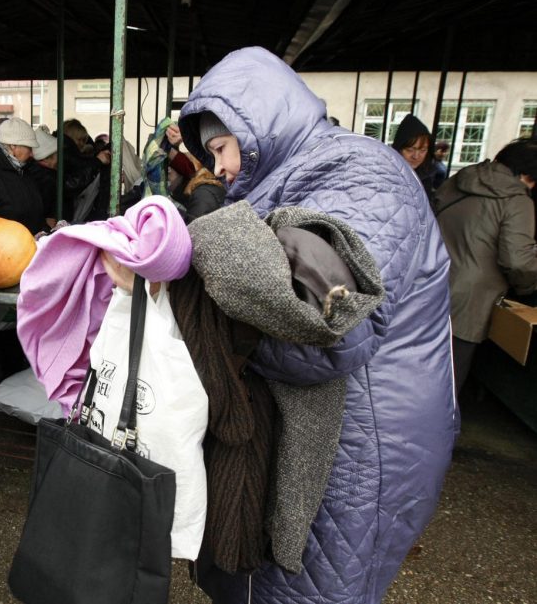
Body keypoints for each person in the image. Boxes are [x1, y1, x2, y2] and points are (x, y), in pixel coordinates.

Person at [129, 46, 453, 604]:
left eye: (221, 147)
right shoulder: (297, 176)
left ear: (256, 124)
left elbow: (323, 332)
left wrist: (191, 247)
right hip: (328, 434)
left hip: (359, 443)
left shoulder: (362, 173)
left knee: (311, 590)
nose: (220, 167)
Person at [434, 138, 537, 395]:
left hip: (429, 284)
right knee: (448, 380)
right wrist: (527, 289)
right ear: (526, 174)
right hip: (469, 302)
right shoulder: (517, 200)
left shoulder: (460, 180)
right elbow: (518, 260)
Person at [392, 113, 437, 199]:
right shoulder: (384, 175)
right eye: (410, 150)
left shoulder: (428, 177)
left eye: (423, 150)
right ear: (398, 149)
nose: (416, 156)